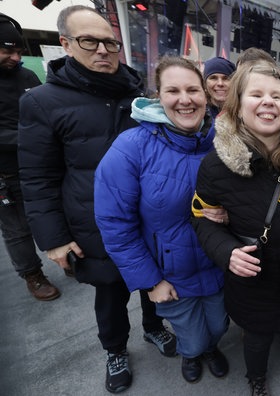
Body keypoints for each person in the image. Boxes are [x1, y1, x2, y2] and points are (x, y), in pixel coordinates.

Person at [18, 6, 175, 393]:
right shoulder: (42, 101)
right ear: (66, 44)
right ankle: (115, 349)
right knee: (110, 293)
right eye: (90, 41)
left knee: (153, 280)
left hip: (148, 217)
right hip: (92, 223)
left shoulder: (139, 92)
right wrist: (53, 238)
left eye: (110, 42)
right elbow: (38, 177)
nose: (103, 51)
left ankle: (154, 326)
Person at [191, 62, 280, 396]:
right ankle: (256, 379)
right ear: (239, 106)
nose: (268, 102)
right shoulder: (215, 165)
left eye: (276, 95)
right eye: (256, 94)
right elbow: (202, 219)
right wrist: (226, 252)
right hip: (253, 279)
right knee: (256, 337)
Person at [94, 56, 229, 385]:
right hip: (171, 274)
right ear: (159, 96)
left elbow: (249, 198)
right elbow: (116, 226)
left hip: (217, 266)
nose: (185, 99)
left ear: (206, 94)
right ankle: (192, 352)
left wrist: (230, 214)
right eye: (173, 90)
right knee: (192, 336)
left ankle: (209, 348)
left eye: (193, 89)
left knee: (219, 327)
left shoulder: (225, 143)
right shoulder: (131, 148)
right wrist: (151, 281)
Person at [0, 13, 60, 301]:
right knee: (17, 230)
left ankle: (70, 256)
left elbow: (46, 112)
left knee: (58, 212)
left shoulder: (28, 76)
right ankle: (32, 274)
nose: (14, 57)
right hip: (5, 173)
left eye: (18, 51)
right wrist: (31, 137)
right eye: (7, 51)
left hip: (41, 165)